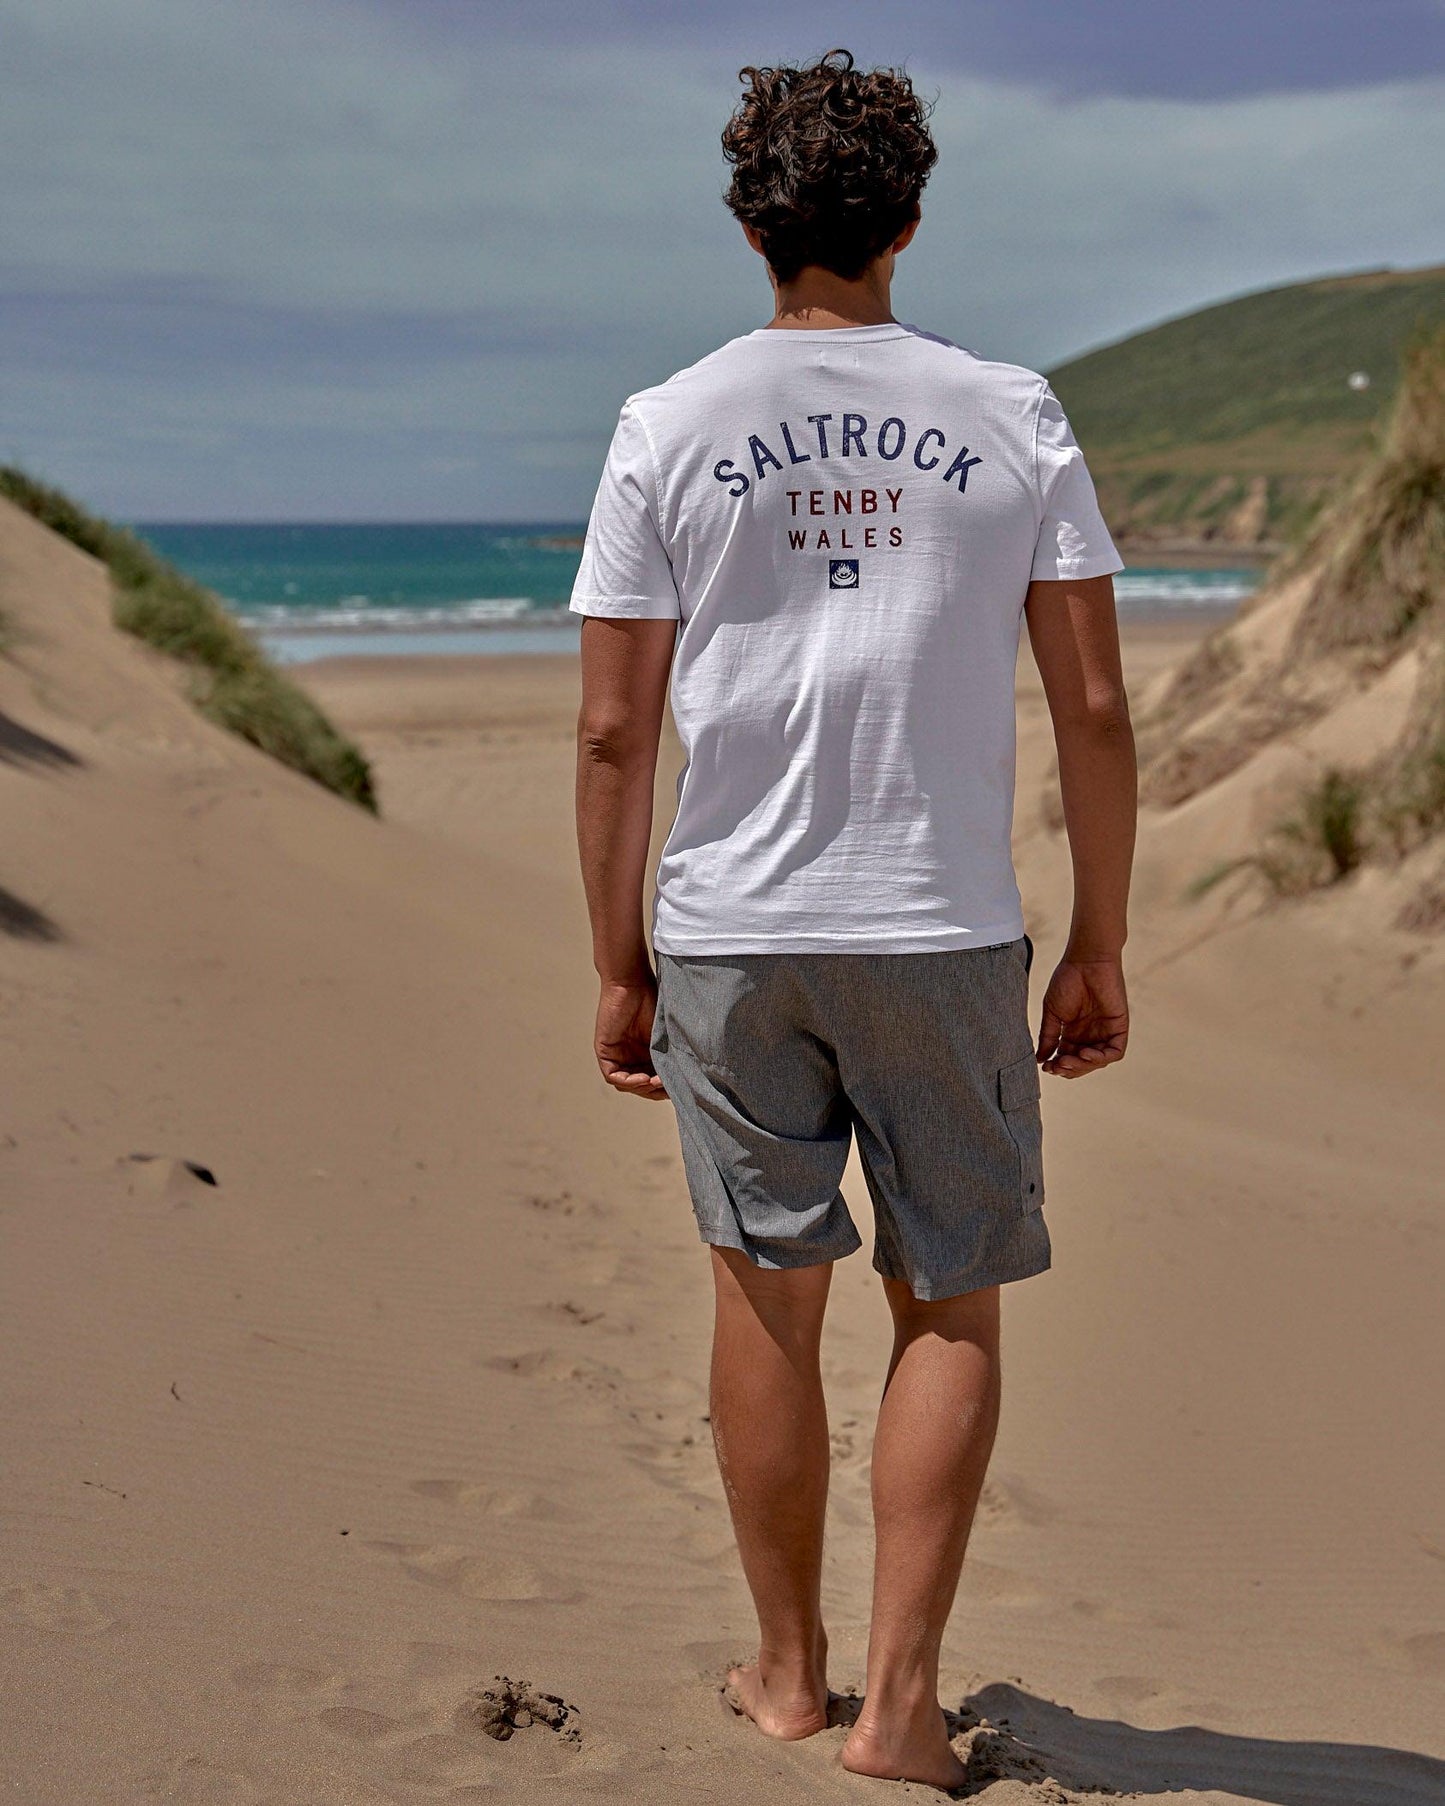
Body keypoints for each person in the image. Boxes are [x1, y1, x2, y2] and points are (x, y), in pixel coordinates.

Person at [571, 48, 1136, 1793]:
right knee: (946, 1310)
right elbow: (1097, 710)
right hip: (942, 921)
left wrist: (613, 956)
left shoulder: (669, 421)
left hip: (733, 924)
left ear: (752, 225)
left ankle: (787, 1674)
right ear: (906, 221)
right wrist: (1098, 936)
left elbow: (608, 724)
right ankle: (901, 1711)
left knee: (763, 1299)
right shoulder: (1010, 411)